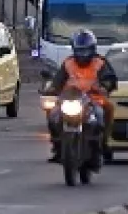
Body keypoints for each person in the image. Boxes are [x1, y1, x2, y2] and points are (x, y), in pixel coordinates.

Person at [43, 29, 119, 163]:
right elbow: (58, 80)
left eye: (86, 50)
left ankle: (103, 143)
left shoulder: (100, 62)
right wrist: (51, 88)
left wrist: (105, 86)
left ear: (92, 49)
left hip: (93, 99)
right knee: (53, 114)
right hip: (70, 98)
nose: (82, 54)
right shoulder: (68, 63)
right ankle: (57, 145)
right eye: (79, 50)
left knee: (106, 111)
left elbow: (110, 79)